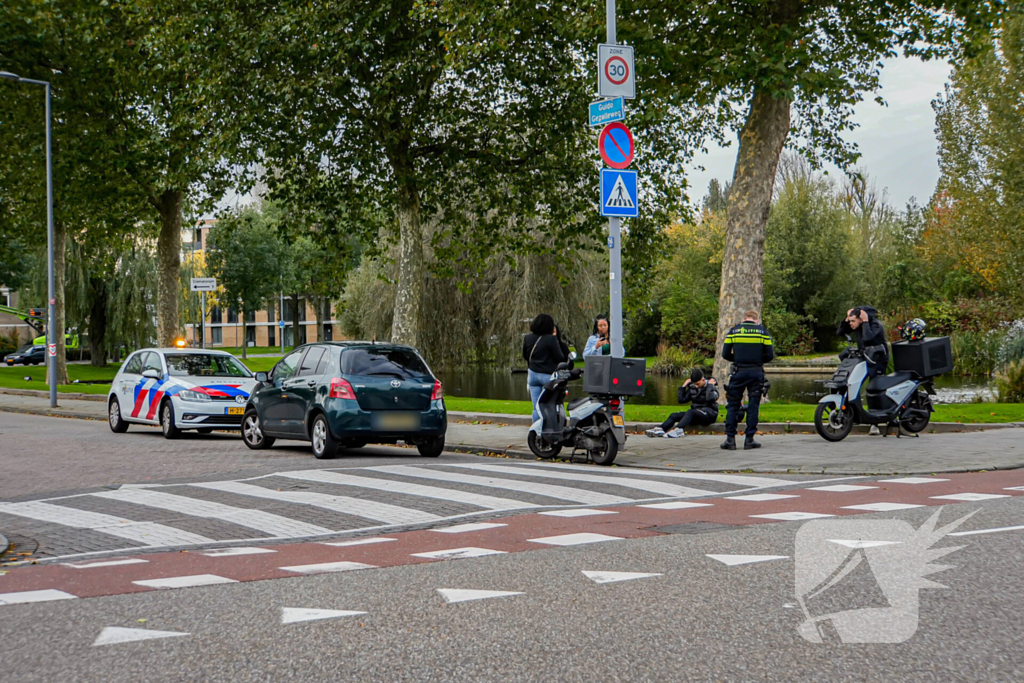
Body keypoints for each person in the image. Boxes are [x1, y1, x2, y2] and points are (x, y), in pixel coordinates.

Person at [721, 310, 774, 451]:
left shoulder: (734, 331)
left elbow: (725, 353)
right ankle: (749, 439)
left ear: (744, 319)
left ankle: (730, 439)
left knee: (732, 405)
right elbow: (770, 355)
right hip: (756, 372)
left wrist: (738, 359)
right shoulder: (763, 332)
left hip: (738, 371)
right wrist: (756, 361)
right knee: (753, 405)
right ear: (756, 320)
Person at [838, 306, 889, 435]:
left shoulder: (875, 325)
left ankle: (875, 424)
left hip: (877, 360)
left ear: (861, 319)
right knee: (852, 383)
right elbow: (840, 332)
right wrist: (846, 319)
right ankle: (851, 414)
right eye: (850, 322)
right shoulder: (856, 324)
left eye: (853, 321)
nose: (851, 324)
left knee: (873, 389)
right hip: (864, 357)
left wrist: (865, 321)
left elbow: (868, 338)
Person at [522, 313, 570, 422]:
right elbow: (559, 357)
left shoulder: (527, 338)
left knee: (536, 407)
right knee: (548, 406)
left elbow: (525, 355)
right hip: (547, 376)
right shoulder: (550, 339)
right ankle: (548, 430)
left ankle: (537, 430)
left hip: (532, 375)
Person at [646, 368, 719, 438]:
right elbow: (681, 400)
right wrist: (683, 386)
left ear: (703, 380)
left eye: (698, 384)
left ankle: (679, 430)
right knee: (674, 415)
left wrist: (710, 386)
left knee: (691, 412)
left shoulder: (712, 387)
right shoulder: (693, 388)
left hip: (709, 415)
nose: (696, 386)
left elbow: (710, 399)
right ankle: (661, 429)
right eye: (695, 384)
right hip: (696, 414)